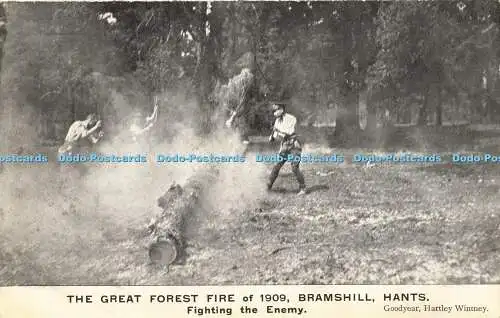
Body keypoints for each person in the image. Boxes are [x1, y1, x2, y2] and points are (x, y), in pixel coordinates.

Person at [267, 102, 307, 195]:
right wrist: (272, 137)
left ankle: (303, 188)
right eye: (273, 111)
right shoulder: (277, 120)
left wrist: (277, 131)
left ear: (281, 109)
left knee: (294, 168)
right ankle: (268, 186)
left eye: (276, 110)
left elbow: (289, 132)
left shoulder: (291, 118)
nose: (274, 113)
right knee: (277, 166)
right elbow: (278, 135)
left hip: (294, 145)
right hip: (285, 145)